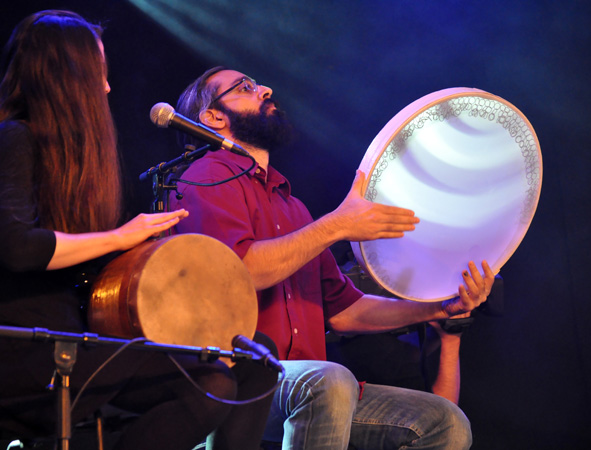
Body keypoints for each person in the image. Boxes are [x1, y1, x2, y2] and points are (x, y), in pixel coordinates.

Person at [170, 66, 495, 450]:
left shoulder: (292, 206)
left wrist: (438, 309)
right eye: (246, 87)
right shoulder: (204, 177)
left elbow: (345, 311)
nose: (265, 89)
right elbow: (239, 271)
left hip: (313, 385)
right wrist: (335, 226)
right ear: (213, 117)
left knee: (444, 422)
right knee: (329, 382)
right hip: (236, 382)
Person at [0, 14, 276, 450]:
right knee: (211, 385)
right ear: (67, 75)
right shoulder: (13, 139)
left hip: (80, 337)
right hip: (29, 352)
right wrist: (121, 237)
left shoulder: (76, 164)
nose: (108, 87)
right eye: (100, 73)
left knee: (255, 356)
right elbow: (16, 248)